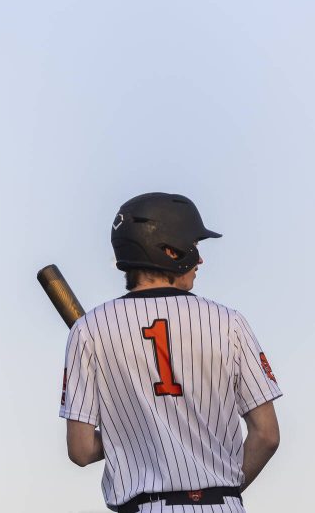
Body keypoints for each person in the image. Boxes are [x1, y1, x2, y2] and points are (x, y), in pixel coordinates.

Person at [60, 192, 281, 513]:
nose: (200, 259)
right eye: (194, 245)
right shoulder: (228, 322)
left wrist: (133, 427)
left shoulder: (89, 329)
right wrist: (226, 491)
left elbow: (80, 451)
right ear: (169, 250)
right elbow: (267, 435)